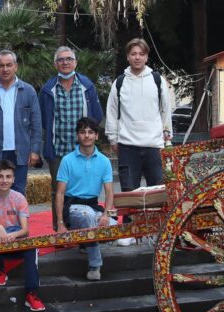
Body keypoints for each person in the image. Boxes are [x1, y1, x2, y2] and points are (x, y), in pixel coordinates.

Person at [105, 38, 173, 245]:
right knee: (129, 189)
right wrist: (113, 138)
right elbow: (112, 112)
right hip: (128, 144)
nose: (137, 57)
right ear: (128, 56)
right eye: (133, 54)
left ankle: (156, 230)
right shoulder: (120, 82)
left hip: (154, 144)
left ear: (146, 56)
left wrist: (167, 132)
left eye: (141, 54)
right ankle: (128, 230)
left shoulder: (157, 80)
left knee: (157, 189)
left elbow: (165, 109)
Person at [39, 46, 104, 231]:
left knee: (84, 191)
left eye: (69, 59)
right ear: (55, 64)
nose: (65, 62)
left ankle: (83, 231)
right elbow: (43, 119)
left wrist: (87, 136)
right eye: (61, 59)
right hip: (58, 150)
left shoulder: (87, 87)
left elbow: (96, 116)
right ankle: (59, 228)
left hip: (82, 151)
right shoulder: (47, 90)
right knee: (58, 191)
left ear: (75, 62)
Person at [0, 159, 45, 312]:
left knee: (31, 247)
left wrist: (12, 235)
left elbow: (25, 230)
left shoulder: (19, 198)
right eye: (0, 176)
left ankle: (31, 294)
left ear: (13, 179)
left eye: (8, 177)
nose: (4, 180)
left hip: (14, 241)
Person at [55, 117, 115, 281]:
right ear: (77, 135)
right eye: (83, 132)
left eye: (90, 132)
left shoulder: (104, 161)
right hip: (73, 207)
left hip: (94, 206)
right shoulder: (67, 160)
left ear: (96, 136)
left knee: (115, 224)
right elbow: (59, 194)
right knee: (86, 216)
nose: (86, 136)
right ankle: (95, 265)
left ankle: (86, 242)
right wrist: (60, 224)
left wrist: (107, 215)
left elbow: (109, 193)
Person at [0, 50, 42, 195]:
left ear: (16, 67)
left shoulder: (28, 91)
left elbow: (36, 124)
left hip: (20, 152)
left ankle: (17, 219)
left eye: (9, 65)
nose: (5, 69)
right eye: (1, 65)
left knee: (18, 192)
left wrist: (35, 150)